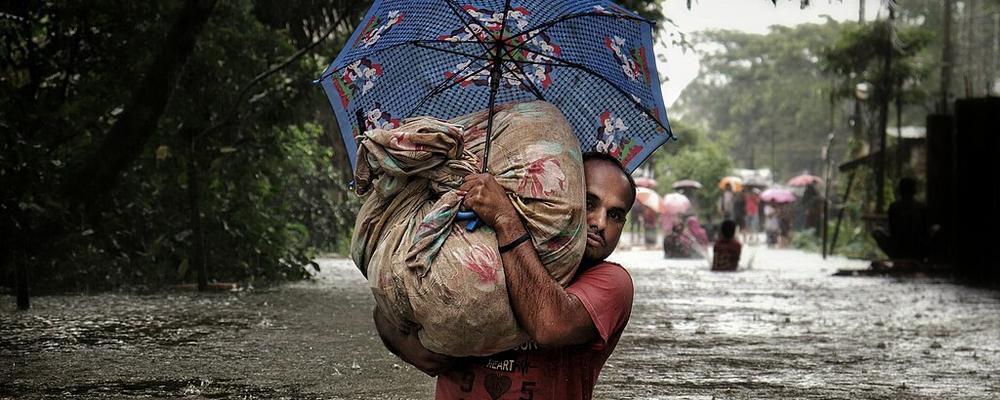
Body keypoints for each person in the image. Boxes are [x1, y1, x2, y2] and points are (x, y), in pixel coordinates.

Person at [374, 152, 637, 399]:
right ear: (564, 199)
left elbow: (550, 325)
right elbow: (389, 305)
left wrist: (504, 217)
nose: (600, 223)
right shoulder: (480, 253)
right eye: (589, 203)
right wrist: (405, 344)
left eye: (615, 215)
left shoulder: (613, 284)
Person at [873, 177, 929, 260]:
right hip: (918, 250)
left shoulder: (894, 207)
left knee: (877, 232)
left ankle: (898, 257)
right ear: (914, 190)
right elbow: (925, 230)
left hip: (899, 250)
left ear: (900, 190)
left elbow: (892, 230)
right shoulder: (921, 206)